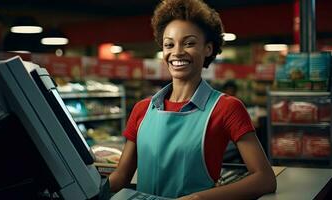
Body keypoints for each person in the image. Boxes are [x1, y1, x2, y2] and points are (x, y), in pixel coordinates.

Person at [109, 0, 276, 199]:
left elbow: (265, 178)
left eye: (189, 43)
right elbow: (121, 177)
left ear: (208, 48)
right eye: (169, 44)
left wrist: (198, 198)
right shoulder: (142, 109)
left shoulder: (226, 108)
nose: (177, 52)